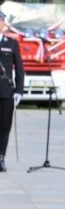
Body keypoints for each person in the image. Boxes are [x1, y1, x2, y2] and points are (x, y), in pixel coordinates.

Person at [0, 11, 24, 172]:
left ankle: (1, 157)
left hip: (6, 92)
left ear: (3, 23)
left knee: (4, 127)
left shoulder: (11, 43)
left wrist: (19, 90)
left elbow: (20, 69)